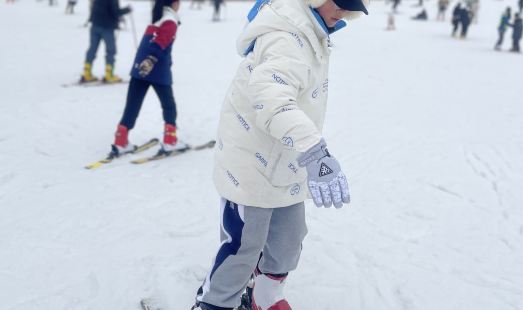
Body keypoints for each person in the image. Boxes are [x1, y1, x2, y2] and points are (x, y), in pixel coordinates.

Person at [191, 0, 368, 309]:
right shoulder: (286, 35)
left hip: (287, 158)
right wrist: (314, 151)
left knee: (289, 238)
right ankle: (214, 303)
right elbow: (272, 101)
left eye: (349, 6)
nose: (341, 11)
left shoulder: (313, 28)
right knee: (245, 244)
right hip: (252, 162)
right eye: (338, 2)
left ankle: (265, 295)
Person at [110, 0, 186, 156]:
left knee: (133, 104)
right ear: (174, 3)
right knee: (169, 105)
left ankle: (120, 140)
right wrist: (150, 60)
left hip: (139, 69)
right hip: (156, 69)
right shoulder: (170, 21)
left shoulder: (157, 19)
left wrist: (144, 63)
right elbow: (159, 44)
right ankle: (170, 141)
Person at [80, 0, 132, 83]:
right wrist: (127, 10)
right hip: (107, 27)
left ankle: (87, 72)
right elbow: (115, 12)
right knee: (111, 50)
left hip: (95, 24)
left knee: (92, 49)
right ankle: (109, 75)